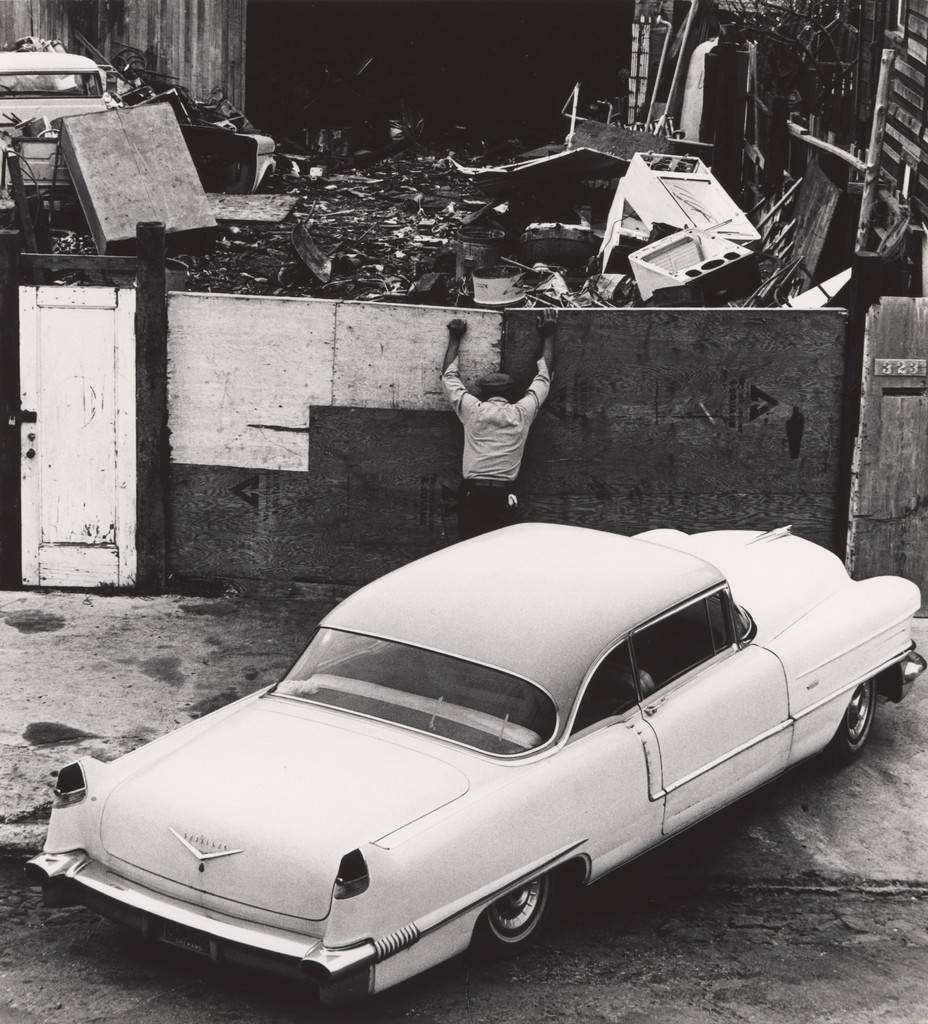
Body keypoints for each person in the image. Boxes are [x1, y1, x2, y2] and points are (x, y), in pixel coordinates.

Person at [441, 309, 557, 540]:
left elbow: (448, 377)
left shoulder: (474, 410)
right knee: (500, 555)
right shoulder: (521, 413)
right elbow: (544, 377)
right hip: (503, 497)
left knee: (469, 551)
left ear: (482, 393)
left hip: (473, 495)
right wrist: (549, 334)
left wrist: (455, 337)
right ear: (512, 392)